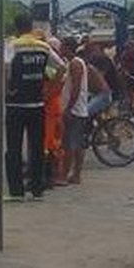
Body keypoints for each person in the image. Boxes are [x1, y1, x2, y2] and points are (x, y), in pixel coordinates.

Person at [3, 13, 66, 201]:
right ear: (31, 27)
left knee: (14, 148)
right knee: (37, 147)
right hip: (38, 104)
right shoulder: (43, 47)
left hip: (16, 104)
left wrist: (7, 89)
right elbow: (62, 67)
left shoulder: (12, 45)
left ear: (16, 28)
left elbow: (5, 68)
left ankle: (16, 192)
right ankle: (37, 190)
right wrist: (50, 88)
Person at [60, 36, 90, 185]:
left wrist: (68, 108)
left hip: (75, 110)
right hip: (77, 109)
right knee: (77, 143)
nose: (60, 49)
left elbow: (76, 88)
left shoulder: (75, 64)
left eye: (62, 46)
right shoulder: (72, 63)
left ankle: (66, 174)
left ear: (67, 48)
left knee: (70, 144)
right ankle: (75, 174)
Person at [43, 36, 67, 187]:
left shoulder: (54, 67)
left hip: (51, 108)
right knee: (55, 143)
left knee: (50, 144)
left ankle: (52, 176)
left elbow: (52, 84)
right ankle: (56, 174)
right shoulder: (60, 64)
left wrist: (45, 95)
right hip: (55, 107)